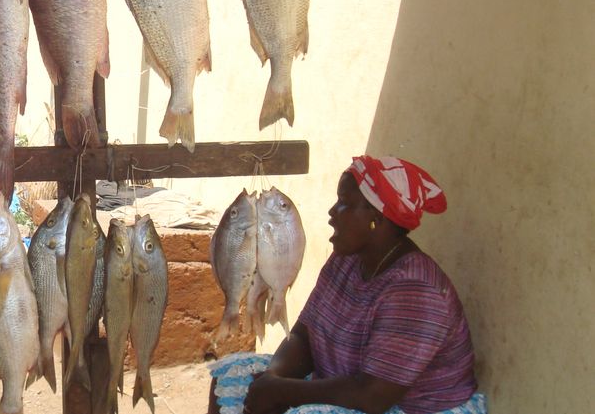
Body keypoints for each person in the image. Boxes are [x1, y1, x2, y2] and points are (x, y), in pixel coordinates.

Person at [207, 156, 486, 414]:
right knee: (231, 376)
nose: (332, 212)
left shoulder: (415, 289)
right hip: (344, 384)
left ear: (376, 219)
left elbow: (373, 396)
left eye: (344, 203)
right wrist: (273, 378)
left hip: (407, 407)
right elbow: (306, 332)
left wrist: (281, 392)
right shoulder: (348, 260)